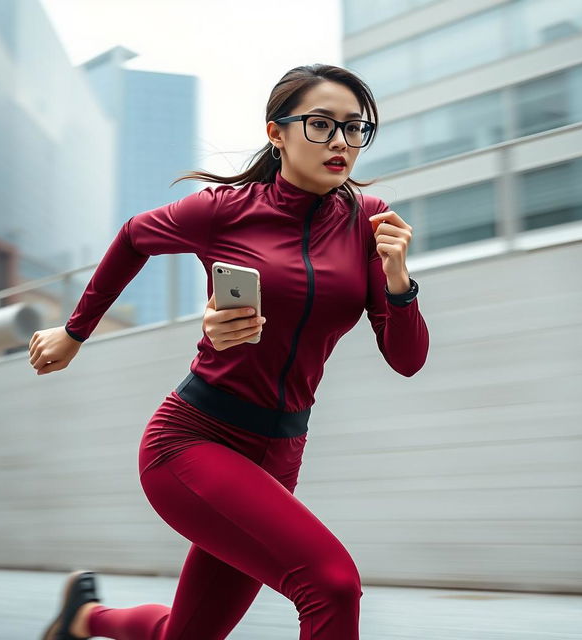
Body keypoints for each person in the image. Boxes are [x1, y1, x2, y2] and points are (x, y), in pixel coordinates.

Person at [30, 63, 429, 640]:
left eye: (354, 128)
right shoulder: (225, 208)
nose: (341, 142)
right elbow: (133, 237)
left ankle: (84, 620)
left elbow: (407, 359)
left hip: (280, 456)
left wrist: (398, 281)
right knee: (331, 584)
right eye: (321, 124)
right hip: (193, 441)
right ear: (277, 133)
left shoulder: (369, 223)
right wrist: (75, 332)